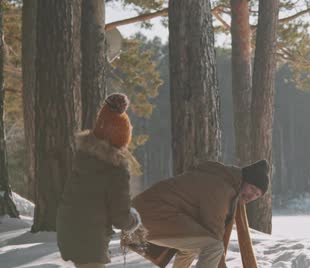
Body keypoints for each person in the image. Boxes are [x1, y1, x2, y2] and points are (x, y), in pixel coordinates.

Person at [131, 159, 270, 268]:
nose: (252, 196)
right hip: (148, 215)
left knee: (192, 246)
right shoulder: (221, 188)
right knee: (213, 247)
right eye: (252, 188)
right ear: (243, 180)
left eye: (257, 195)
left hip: (144, 214)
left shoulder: (223, 181)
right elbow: (214, 231)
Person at [57, 93, 143, 268]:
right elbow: (120, 217)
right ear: (122, 138)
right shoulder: (116, 169)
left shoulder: (84, 157)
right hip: (90, 238)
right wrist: (135, 219)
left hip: (68, 229)